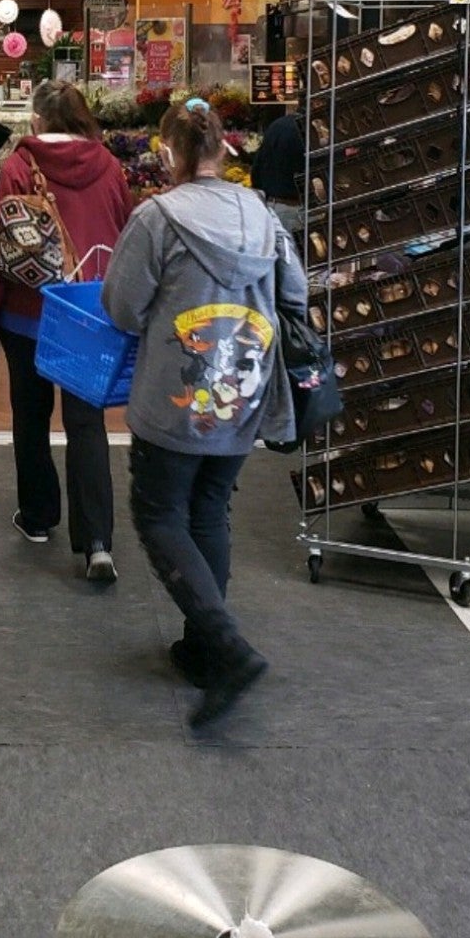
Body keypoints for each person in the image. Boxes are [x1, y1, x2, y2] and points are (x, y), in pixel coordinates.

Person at [102, 99, 308, 729]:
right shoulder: (262, 214)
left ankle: (226, 644)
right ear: (225, 149)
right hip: (245, 390)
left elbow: (122, 308)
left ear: (168, 153)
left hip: (176, 393)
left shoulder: (157, 218)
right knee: (210, 509)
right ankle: (202, 648)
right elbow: (296, 294)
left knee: (159, 513)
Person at [0, 80, 133, 582]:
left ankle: (38, 516)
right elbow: (126, 233)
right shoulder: (109, 165)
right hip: (89, 311)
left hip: (28, 311)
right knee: (86, 422)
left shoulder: (21, 165)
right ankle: (97, 542)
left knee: (31, 414)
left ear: (38, 120)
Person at [250, 104, 306, 239]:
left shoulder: (276, 126)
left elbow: (257, 170)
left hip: (275, 206)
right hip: (305, 208)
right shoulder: (314, 131)